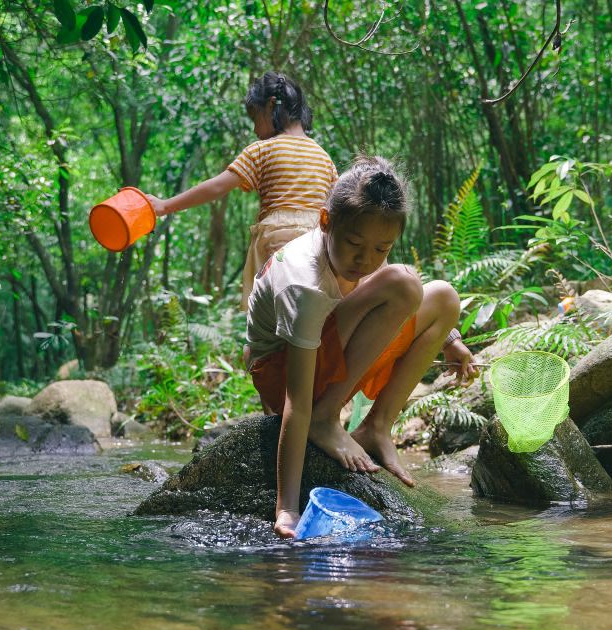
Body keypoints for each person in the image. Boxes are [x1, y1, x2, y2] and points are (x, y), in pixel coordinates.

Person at [244, 156, 478, 538]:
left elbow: (391, 295)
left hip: (329, 348)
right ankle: (328, 417)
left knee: (444, 299)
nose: (365, 260)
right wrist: (287, 508)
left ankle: (377, 426)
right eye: (355, 244)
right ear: (326, 222)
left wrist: (450, 338)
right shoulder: (304, 284)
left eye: (381, 249)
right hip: (282, 370)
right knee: (402, 282)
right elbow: (295, 401)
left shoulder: (357, 256)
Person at [144, 72, 337, 309]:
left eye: (255, 118)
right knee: (310, 316)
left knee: (270, 322)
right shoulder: (324, 157)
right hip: (319, 243)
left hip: (277, 241)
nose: (255, 129)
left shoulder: (262, 150)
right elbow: (337, 205)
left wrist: (165, 205)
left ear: (270, 106)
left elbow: (216, 186)